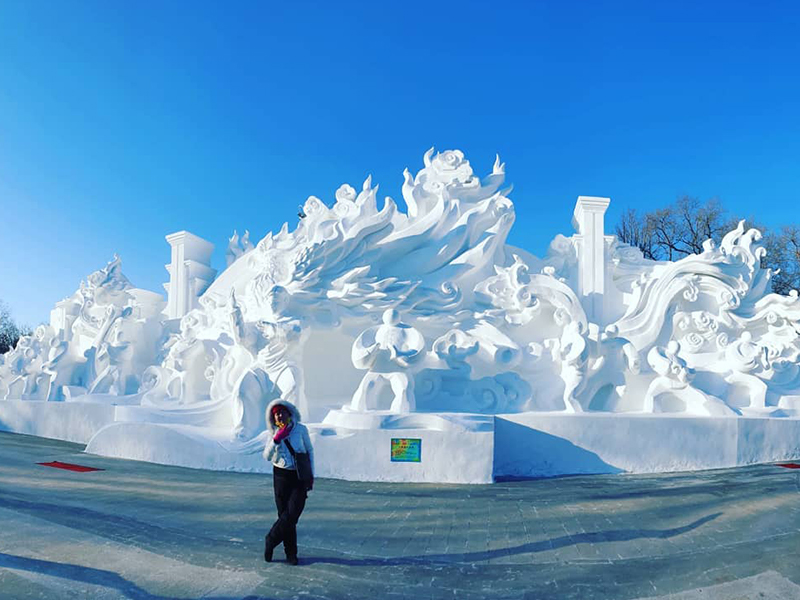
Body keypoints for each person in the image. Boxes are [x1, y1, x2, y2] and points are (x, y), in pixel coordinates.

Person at [263, 398, 314, 565]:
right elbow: (266, 456)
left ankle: (271, 539)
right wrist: (276, 440)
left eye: (281, 412)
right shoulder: (273, 433)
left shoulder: (300, 429)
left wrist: (311, 474)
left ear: (288, 413)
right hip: (280, 476)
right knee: (284, 515)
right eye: (275, 414)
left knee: (292, 515)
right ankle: (290, 554)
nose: (278, 416)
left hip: (298, 476)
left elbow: (309, 451)